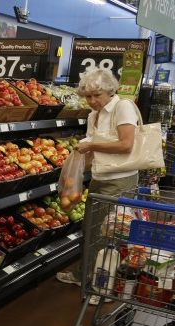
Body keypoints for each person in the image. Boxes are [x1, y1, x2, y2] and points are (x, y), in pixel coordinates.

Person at [56, 68, 142, 304]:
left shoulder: (122, 107)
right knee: (93, 230)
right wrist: (73, 171)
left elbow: (126, 144)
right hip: (100, 177)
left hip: (120, 178)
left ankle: (102, 287)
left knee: (108, 233)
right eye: (88, 96)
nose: (92, 101)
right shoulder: (95, 115)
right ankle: (85, 275)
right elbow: (93, 151)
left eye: (97, 95)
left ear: (109, 90)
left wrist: (91, 144)